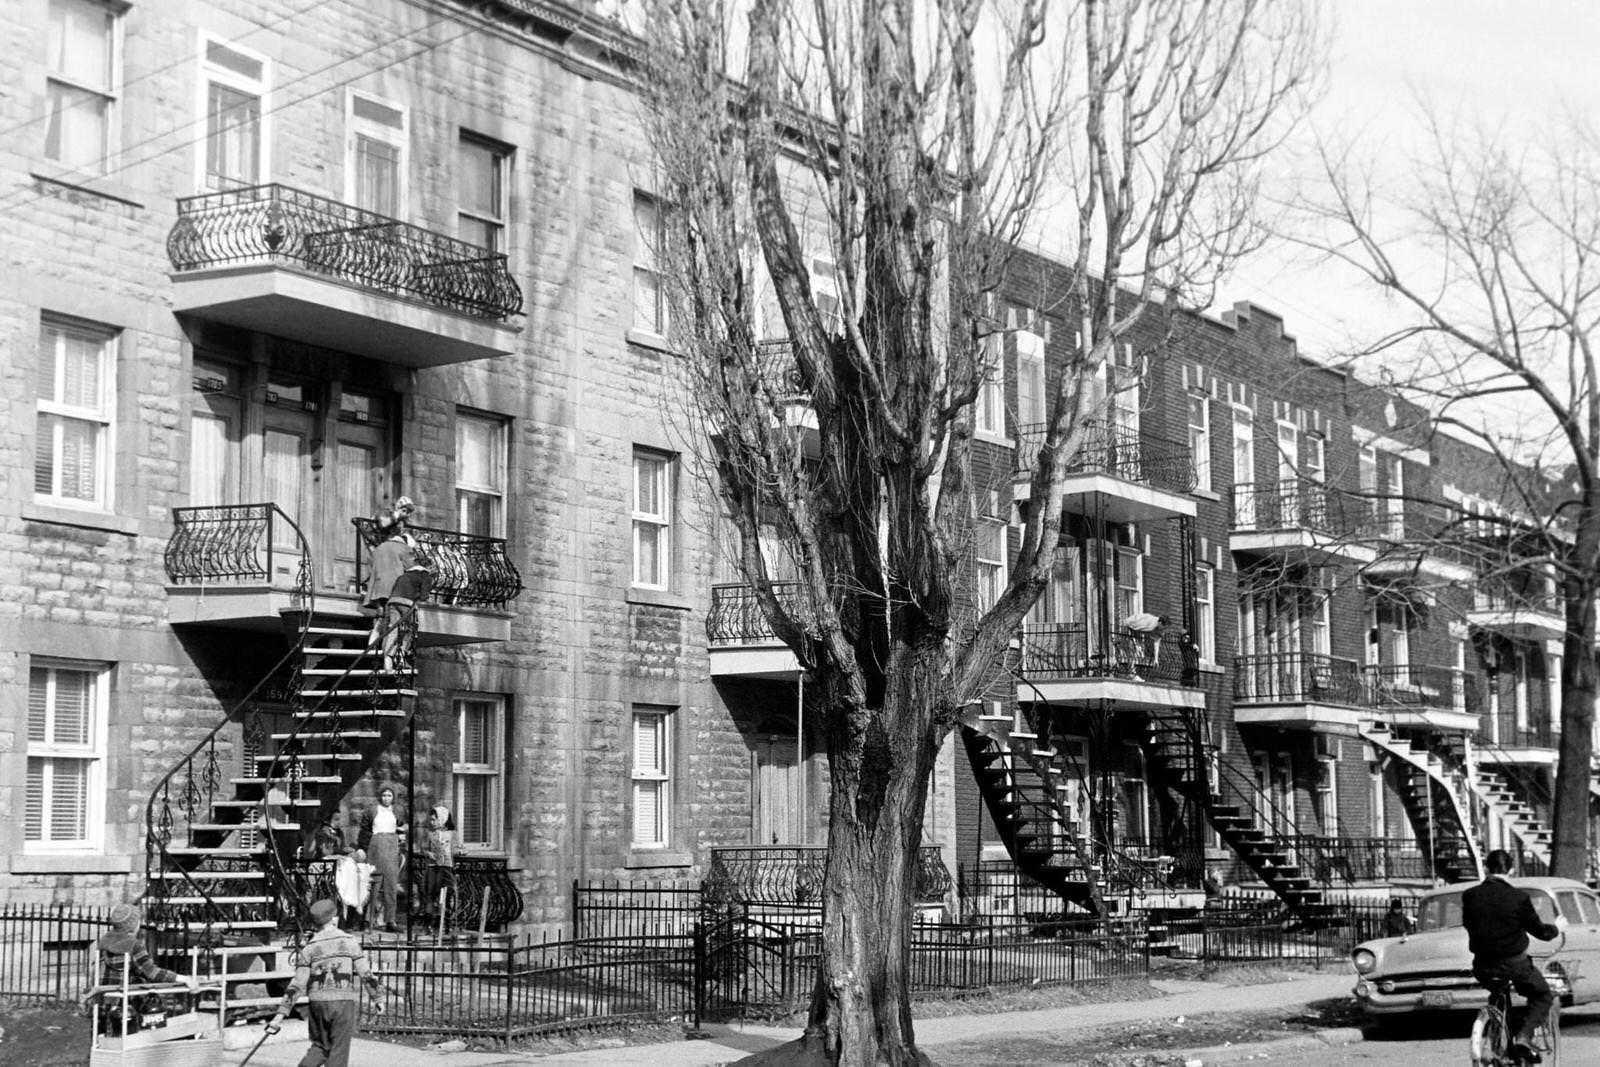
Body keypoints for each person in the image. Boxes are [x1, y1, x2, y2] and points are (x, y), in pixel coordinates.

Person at [1463, 849, 1564, 1065]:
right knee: (1542, 995)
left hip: (1483, 966)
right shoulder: (1518, 898)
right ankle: (1524, 1037)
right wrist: (1557, 928)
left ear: (1487, 868)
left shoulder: (1470, 895)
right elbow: (1540, 932)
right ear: (1511, 870)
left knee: (1497, 992)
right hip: (1514, 965)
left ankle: (1496, 1034)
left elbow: (1468, 924)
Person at [270, 899, 385, 1067]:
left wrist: (280, 1015)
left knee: (320, 1047)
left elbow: (297, 984)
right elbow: (366, 973)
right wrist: (378, 998)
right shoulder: (348, 941)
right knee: (338, 1051)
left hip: (317, 1004)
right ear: (334, 917)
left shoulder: (309, 948)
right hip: (342, 1003)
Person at [362, 497, 431, 673]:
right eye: (405, 510)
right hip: (393, 585)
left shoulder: (392, 540)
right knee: (394, 622)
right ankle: (389, 655)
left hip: (383, 581)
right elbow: (378, 523)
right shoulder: (388, 516)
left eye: (409, 511)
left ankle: (376, 642)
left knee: (383, 616)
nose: (406, 514)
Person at [92, 903, 199, 991]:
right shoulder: (133, 944)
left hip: (101, 1001)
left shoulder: (104, 940)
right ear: (134, 925)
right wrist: (183, 978)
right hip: (123, 1003)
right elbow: (151, 972)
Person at [355, 787, 406, 934]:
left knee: (391, 885)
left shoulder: (397, 810)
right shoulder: (372, 810)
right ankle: (366, 920)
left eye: (389, 795)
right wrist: (364, 847)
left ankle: (390, 920)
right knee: (372, 885)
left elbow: (402, 825)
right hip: (376, 846)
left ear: (393, 797)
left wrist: (402, 833)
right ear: (380, 796)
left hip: (391, 847)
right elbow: (364, 829)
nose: (386, 798)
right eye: (384, 795)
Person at [417, 804, 456, 930]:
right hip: (432, 867)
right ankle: (430, 919)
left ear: (442, 819)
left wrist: (459, 852)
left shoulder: (451, 834)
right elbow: (423, 849)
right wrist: (429, 853)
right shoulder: (430, 835)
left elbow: (457, 848)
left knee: (444, 893)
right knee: (430, 893)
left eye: (435, 820)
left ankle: (444, 920)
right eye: (431, 820)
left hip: (446, 867)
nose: (432, 822)